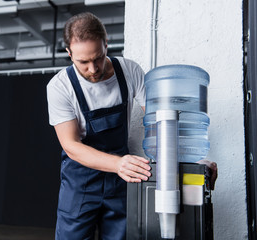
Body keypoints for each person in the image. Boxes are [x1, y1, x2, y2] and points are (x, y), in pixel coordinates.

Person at [47, 12, 217, 240]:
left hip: (122, 181)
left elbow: (162, 124)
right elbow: (71, 146)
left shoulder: (129, 71)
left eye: (98, 57)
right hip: (81, 183)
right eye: (83, 62)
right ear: (69, 53)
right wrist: (118, 164)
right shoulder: (60, 87)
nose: (93, 68)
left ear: (106, 44)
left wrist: (194, 164)